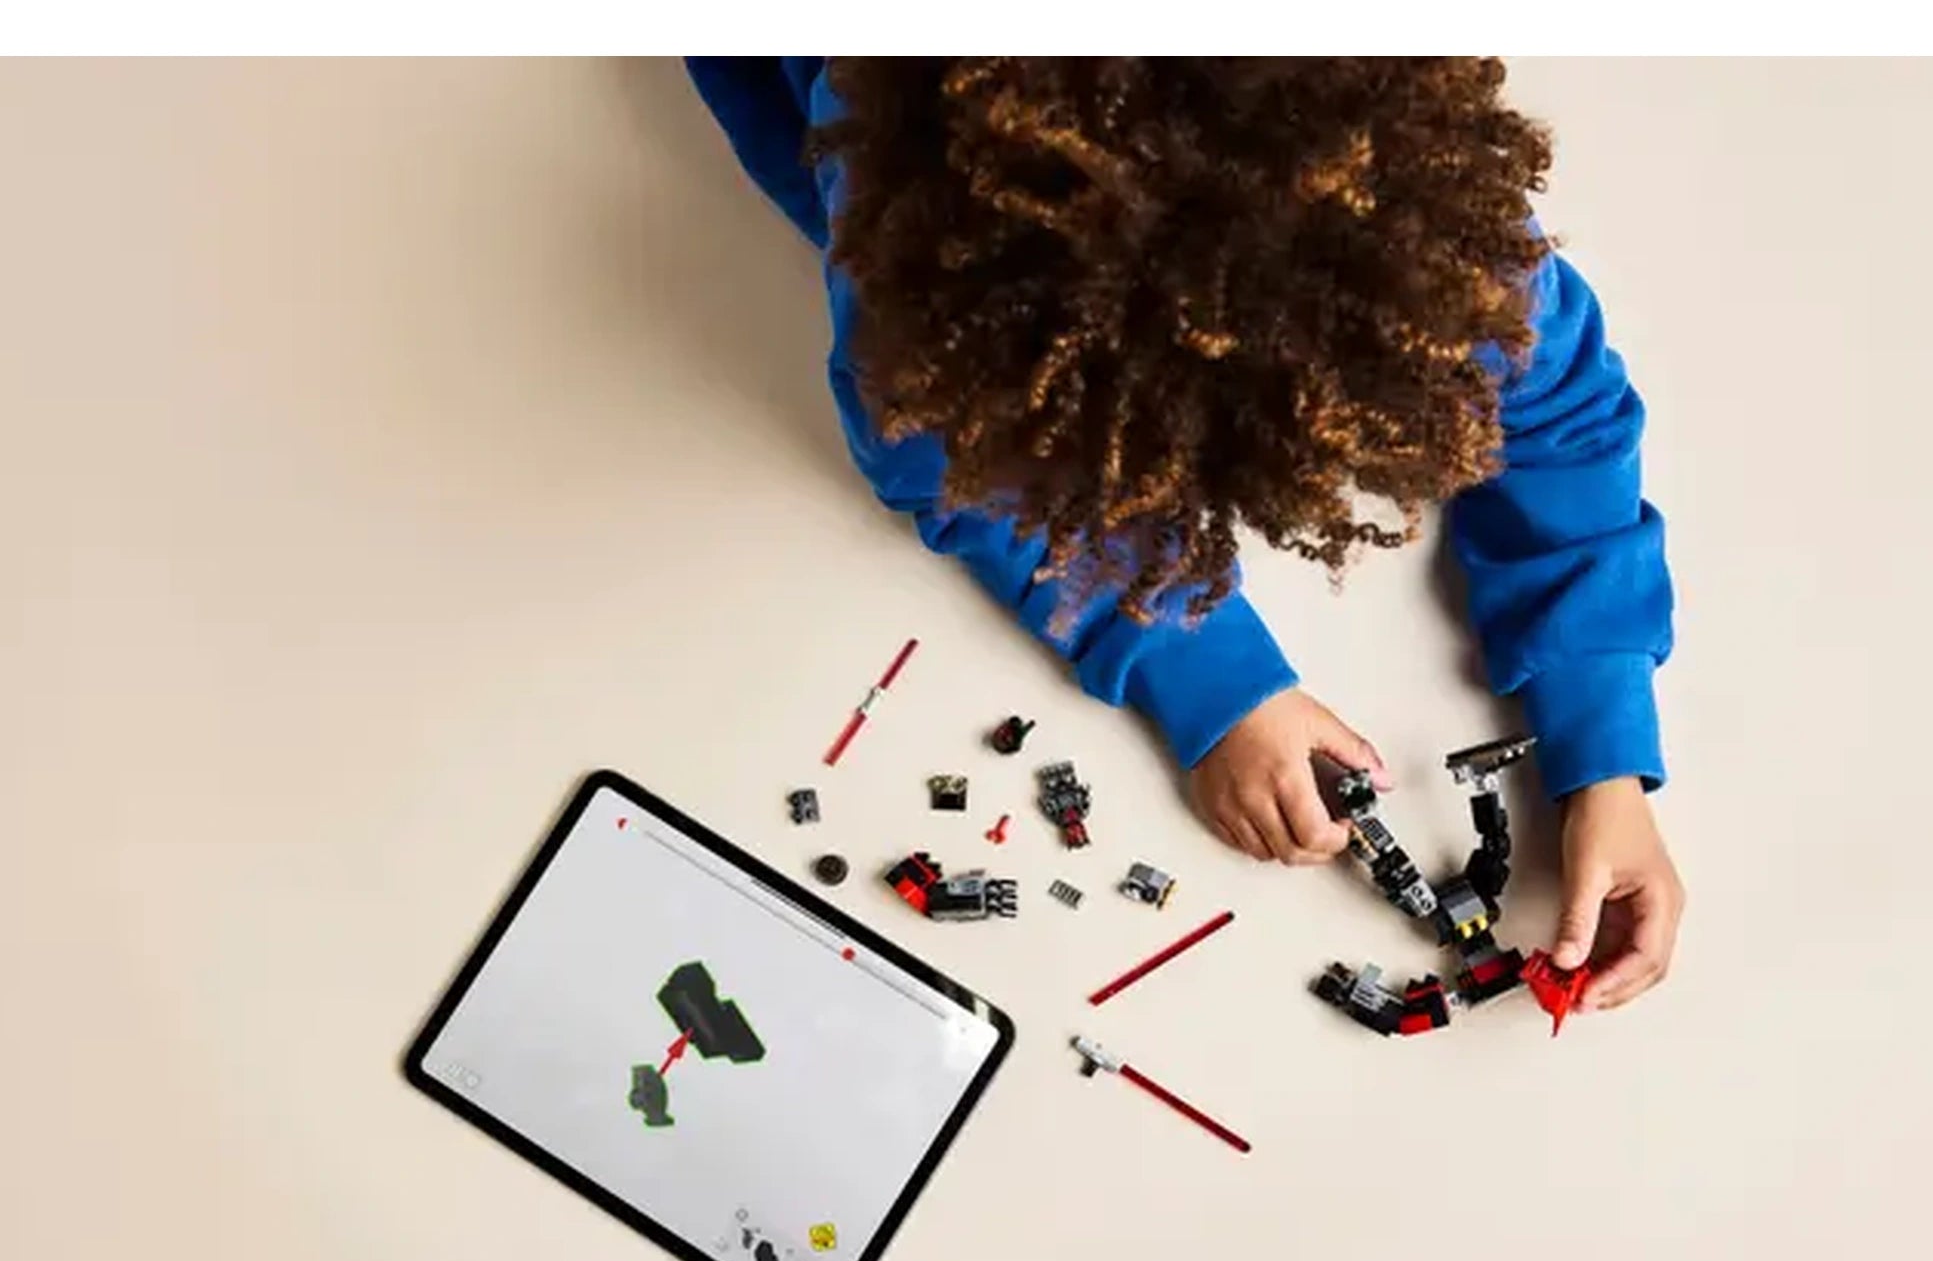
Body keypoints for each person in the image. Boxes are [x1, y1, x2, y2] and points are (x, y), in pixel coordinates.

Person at [686, 57, 1684, 1013]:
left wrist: (1602, 744)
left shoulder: (1398, 201)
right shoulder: (927, 265)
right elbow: (950, 465)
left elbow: (1552, 406)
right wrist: (1202, 670)